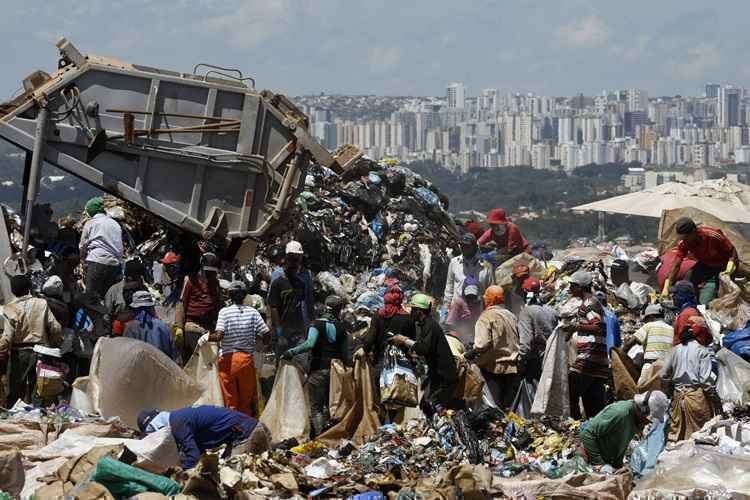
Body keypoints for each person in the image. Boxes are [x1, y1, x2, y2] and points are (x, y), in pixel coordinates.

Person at [282, 295, 349, 436]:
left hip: (318, 370)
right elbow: (345, 355)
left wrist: (291, 352)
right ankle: (333, 435)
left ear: (326, 307)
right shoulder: (342, 328)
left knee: (316, 408)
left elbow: (310, 343)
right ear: (339, 310)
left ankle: (321, 438)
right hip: (336, 372)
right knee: (331, 406)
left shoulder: (316, 325)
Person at [205, 281, 269, 417]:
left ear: (229, 295)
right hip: (246, 361)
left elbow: (218, 336)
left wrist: (206, 337)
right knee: (245, 401)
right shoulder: (253, 312)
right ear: (245, 295)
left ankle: (233, 430)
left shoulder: (224, 312)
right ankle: (245, 429)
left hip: (227, 361)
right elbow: (267, 334)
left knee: (230, 400)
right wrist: (261, 342)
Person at [137, 406, 271, 470]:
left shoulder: (177, 424)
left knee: (231, 475)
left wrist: (179, 474)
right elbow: (198, 451)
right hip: (254, 429)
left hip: (247, 433)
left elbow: (193, 457)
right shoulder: (178, 418)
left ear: (154, 427)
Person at [390, 294, 459, 418]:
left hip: (443, 376)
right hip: (437, 374)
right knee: (427, 405)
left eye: (413, 309)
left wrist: (404, 340)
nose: (411, 313)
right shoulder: (425, 324)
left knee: (432, 405)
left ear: (419, 311)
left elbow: (424, 349)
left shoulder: (430, 325)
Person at [0, 275, 62, 406]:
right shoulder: (41, 303)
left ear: (12, 290)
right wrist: (52, 343)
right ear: (29, 287)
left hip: (19, 355)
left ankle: (16, 422)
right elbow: (56, 328)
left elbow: (7, 337)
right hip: (42, 353)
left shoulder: (9, 308)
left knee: (15, 395)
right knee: (40, 392)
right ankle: (38, 420)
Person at [661, 321, 718, 441]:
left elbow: (663, 375)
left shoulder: (673, 351)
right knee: (700, 435)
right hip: (696, 397)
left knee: (678, 436)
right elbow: (705, 381)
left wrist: (668, 391)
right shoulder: (702, 351)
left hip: (678, 397)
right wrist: (714, 398)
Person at [579, 391, 668, 468]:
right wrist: (599, 463)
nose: (648, 423)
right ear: (642, 410)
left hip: (606, 461)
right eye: (648, 420)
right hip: (589, 458)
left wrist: (618, 466)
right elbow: (587, 434)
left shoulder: (635, 420)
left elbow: (620, 444)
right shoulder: (620, 413)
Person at [465, 286, 520, 409]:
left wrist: (471, 353)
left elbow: (481, 344)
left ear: (491, 299)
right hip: (513, 367)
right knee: (509, 407)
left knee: (494, 406)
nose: (484, 299)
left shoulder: (486, 317)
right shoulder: (510, 315)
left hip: (493, 368)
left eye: (486, 296)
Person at [565, 271, 609, 421]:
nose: (569, 289)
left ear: (579, 287)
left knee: (571, 389)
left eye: (572, 286)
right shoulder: (592, 301)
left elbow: (598, 327)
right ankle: (591, 426)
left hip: (589, 356)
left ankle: (575, 424)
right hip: (597, 359)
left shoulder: (589, 304)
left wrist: (575, 327)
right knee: (592, 401)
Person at [663, 217, 738, 304]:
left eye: (686, 237)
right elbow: (676, 264)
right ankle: (694, 305)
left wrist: (730, 267)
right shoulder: (684, 243)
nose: (684, 239)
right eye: (682, 237)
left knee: (722, 293)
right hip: (707, 264)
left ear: (694, 231)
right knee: (689, 279)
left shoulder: (712, 235)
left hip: (724, 265)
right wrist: (667, 284)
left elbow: (732, 251)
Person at [363, 284, 416, 397]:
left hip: (381, 364)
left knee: (380, 399)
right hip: (402, 366)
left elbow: (369, 340)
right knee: (398, 400)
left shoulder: (378, 316)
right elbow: (412, 342)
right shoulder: (408, 318)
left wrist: (363, 350)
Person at [175, 252, 221, 364]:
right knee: (193, 363)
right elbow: (182, 303)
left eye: (212, 273)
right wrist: (179, 327)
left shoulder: (216, 284)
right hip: (193, 326)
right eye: (208, 272)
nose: (210, 275)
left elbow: (217, 305)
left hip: (208, 328)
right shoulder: (191, 280)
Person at [268, 241, 307, 362]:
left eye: (297, 260)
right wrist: (279, 334)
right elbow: (273, 307)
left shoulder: (300, 283)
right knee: (282, 366)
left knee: (299, 365)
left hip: (296, 333)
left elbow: (301, 306)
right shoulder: (278, 282)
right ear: (286, 260)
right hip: (282, 333)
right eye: (292, 260)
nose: (295, 264)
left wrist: (305, 329)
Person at [79, 197, 124, 300]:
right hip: (114, 264)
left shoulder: (91, 223)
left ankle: (94, 315)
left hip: (96, 261)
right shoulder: (115, 224)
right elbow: (120, 247)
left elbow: (83, 245)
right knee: (108, 296)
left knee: (91, 298)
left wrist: (82, 259)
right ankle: (107, 314)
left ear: (91, 210)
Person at [517, 278, 558, 381]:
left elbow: (526, 342)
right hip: (551, 358)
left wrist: (519, 359)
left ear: (525, 293)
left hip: (535, 362)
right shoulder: (551, 310)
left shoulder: (526, 312)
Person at [123, 291, 177, 360]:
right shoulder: (163, 326)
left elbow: (126, 356)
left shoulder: (130, 328)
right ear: (151, 307)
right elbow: (174, 354)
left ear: (135, 309)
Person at [443, 233, 494, 307]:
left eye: (467, 246)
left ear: (475, 247)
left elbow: (490, 290)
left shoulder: (486, 266)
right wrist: (446, 306)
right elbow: (449, 286)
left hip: (478, 309)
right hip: (456, 310)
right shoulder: (454, 262)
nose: (464, 248)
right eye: (462, 246)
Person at [104, 260, 147, 336]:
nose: (141, 279)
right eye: (138, 277)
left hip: (141, 333)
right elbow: (107, 316)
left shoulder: (143, 289)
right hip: (120, 334)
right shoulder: (114, 291)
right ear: (129, 277)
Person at [624, 304, 673, 368]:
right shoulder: (672, 329)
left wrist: (622, 354)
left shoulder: (648, 326)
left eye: (646, 320)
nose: (645, 322)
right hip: (668, 368)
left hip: (651, 365)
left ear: (651, 317)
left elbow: (631, 342)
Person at [670, 280, 713, 347]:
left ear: (683, 295)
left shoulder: (686, 314)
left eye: (675, 293)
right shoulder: (694, 311)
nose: (672, 296)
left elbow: (684, 341)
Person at [445, 277, 483, 346]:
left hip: (472, 336)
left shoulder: (478, 304)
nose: (471, 298)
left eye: (473, 296)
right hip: (458, 336)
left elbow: (478, 321)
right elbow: (450, 323)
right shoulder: (458, 303)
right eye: (469, 296)